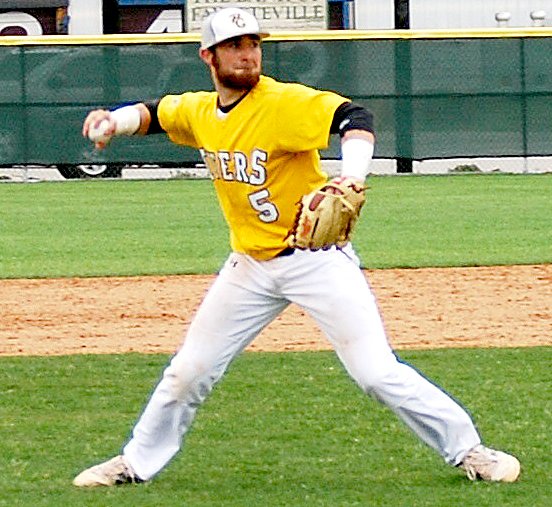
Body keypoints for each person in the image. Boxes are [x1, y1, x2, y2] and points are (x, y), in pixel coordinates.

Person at [73, 7, 520, 487]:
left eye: (252, 45)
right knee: (188, 371)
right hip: (249, 265)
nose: (247, 55)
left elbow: (354, 116)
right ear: (209, 56)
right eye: (234, 46)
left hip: (315, 260)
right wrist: (113, 122)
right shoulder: (202, 111)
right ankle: (135, 463)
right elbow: (156, 113)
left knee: (375, 373)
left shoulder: (282, 103)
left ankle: (472, 452)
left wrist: (352, 175)